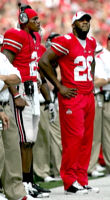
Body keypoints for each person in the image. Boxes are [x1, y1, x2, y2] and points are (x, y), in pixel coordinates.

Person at [39, 11, 100, 194]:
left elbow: (92, 62)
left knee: (86, 139)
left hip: (88, 95)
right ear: (73, 24)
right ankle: (69, 181)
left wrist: (90, 79)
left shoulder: (91, 42)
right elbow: (43, 61)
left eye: (87, 20)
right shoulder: (65, 40)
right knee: (73, 140)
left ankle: (82, 178)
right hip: (72, 96)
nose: (85, 23)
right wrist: (59, 86)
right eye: (81, 20)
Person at [1, 3, 50, 198]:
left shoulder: (35, 37)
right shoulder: (16, 34)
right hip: (20, 90)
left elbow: (33, 65)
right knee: (23, 139)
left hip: (32, 89)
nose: (38, 22)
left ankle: (29, 181)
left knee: (31, 140)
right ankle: (22, 181)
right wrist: (16, 94)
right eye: (34, 19)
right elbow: (6, 68)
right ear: (24, 21)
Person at [0, 52, 35, 200]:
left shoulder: (1, 57)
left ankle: (16, 193)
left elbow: (17, 77)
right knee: (0, 153)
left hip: (6, 105)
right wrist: (6, 80)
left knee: (12, 150)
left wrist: (3, 79)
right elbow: (10, 80)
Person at [33, 33, 62, 182]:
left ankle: (58, 169)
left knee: (57, 137)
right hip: (38, 100)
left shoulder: (50, 56)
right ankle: (42, 171)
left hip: (50, 101)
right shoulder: (37, 54)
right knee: (42, 139)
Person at [88, 38, 110, 176]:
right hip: (101, 96)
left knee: (106, 135)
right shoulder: (102, 55)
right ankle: (91, 165)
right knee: (96, 135)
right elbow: (100, 80)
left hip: (105, 96)